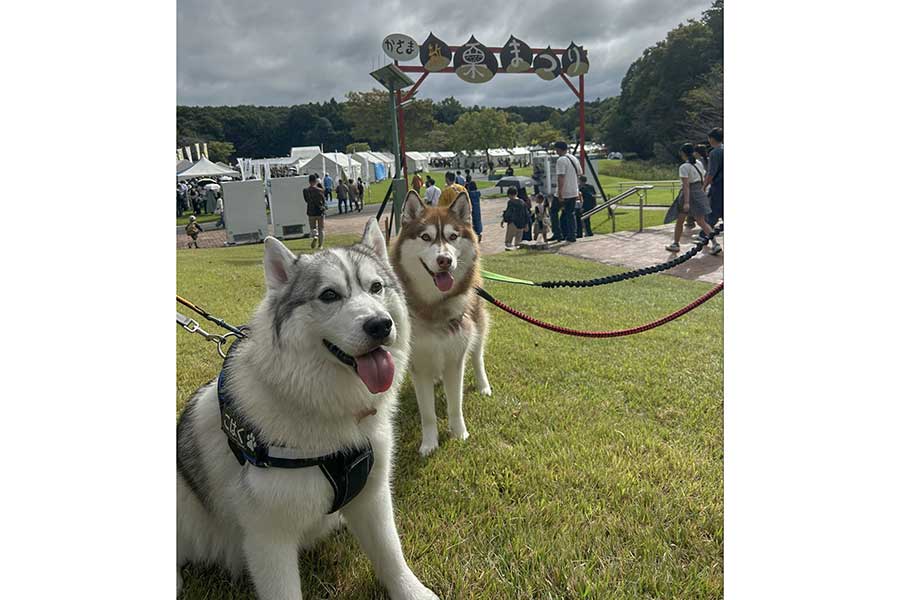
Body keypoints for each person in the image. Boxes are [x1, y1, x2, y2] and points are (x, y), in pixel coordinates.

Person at [664, 143, 721, 255]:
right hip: (698, 191)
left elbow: (686, 186)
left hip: (689, 194)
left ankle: (675, 244)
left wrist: (686, 202)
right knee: (702, 221)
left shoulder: (684, 167)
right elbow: (704, 177)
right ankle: (715, 243)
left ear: (683, 153)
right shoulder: (698, 163)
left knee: (680, 220)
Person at [553, 141, 582, 243]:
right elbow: (580, 173)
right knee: (571, 213)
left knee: (553, 211)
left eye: (556, 149)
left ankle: (557, 233)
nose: (555, 151)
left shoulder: (561, 160)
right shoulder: (574, 158)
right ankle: (572, 235)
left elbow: (561, 176)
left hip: (564, 191)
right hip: (573, 190)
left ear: (559, 149)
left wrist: (560, 192)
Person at [705, 127, 724, 227]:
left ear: (712, 139)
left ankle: (705, 234)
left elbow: (711, 172)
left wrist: (704, 186)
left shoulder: (714, 152)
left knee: (713, 211)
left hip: (718, 185)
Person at [303, 174, 327, 249]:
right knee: (321, 228)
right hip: (320, 211)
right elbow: (323, 201)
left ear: (309, 181)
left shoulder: (305, 190)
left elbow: (306, 200)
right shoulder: (320, 190)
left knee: (312, 227)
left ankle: (315, 235)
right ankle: (320, 245)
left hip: (311, 211)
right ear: (316, 181)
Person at [465, 175, 484, 241]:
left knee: (473, 221)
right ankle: (479, 233)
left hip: (472, 208)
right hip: (477, 208)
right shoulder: (478, 193)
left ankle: (475, 234)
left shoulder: (469, 193)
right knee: (478, 220)